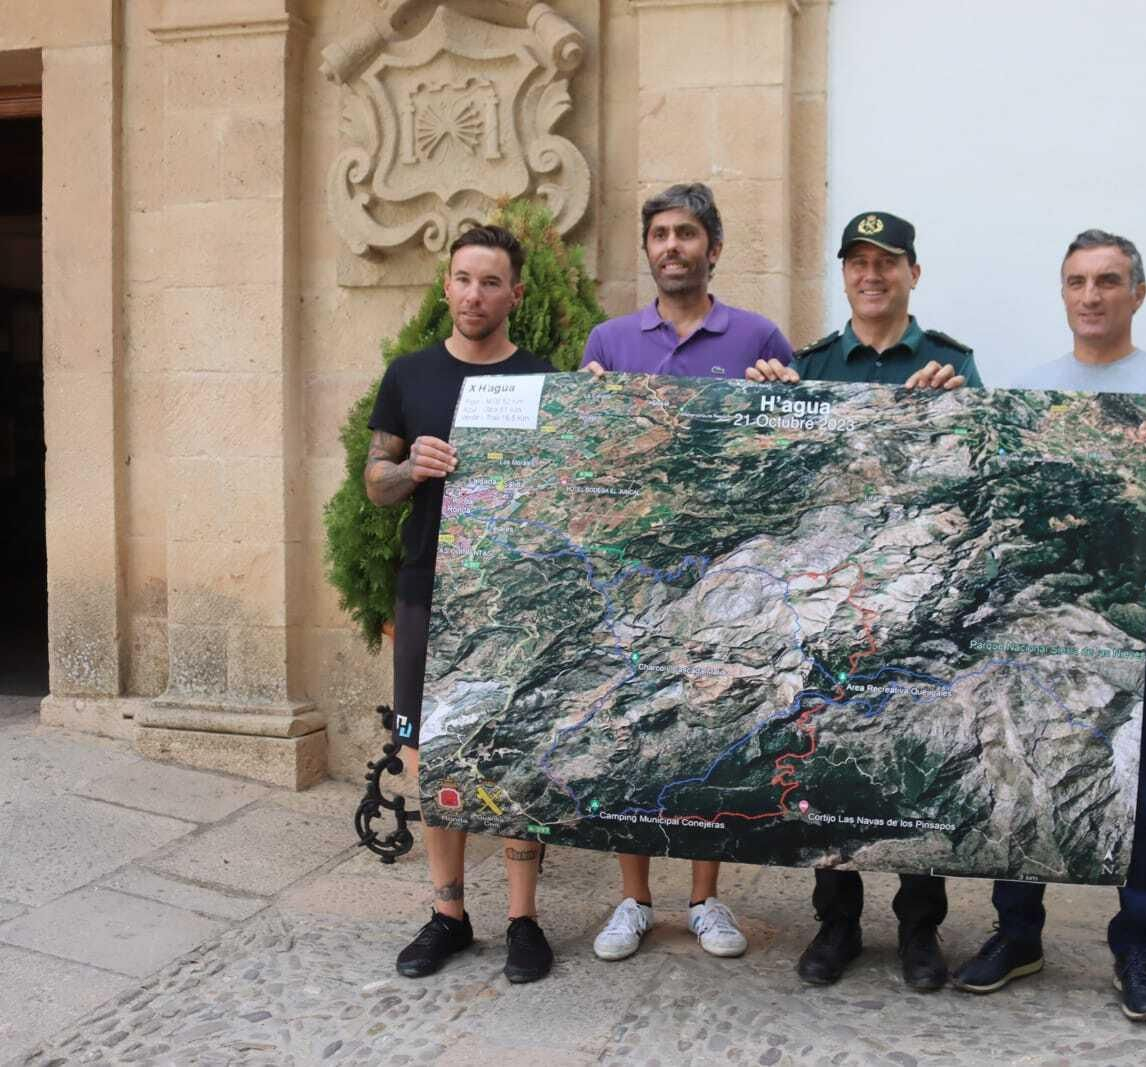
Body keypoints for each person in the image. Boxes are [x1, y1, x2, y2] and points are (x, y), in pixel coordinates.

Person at [949, 229, 1146, 1022]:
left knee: (1135, 791)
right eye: (1078, 281)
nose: (1092, 296)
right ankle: (1018, 934)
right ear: (1063, 292)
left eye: (1109, 281)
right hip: (1043, 627)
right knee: (1022, 777)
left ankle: (1135, 943)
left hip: (1138, 627)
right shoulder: (1033, 390)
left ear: (1137, 294)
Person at [747, 210, 977, 991]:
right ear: (843, 273)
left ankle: (920, 930)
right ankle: (837, 922)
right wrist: (764, 406)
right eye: (857, 261)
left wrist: (955, 407)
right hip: (831, 599)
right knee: (825, 754)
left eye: (888, 262)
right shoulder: (809, 366)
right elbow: (778, 484)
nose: (871, 274)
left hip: (914, 598)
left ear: (914, 273)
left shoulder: (953, 365)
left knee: (914, 751)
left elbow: (978, 470)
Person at [580, 182, 794, 963]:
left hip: (726, 567)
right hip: (634, 566)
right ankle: (633, 898)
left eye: (688, 234)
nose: (673, 246)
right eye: (661, 234)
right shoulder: (607, 342)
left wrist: (787, 403)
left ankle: (705, 897)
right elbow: (588, 463)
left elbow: (789, 453)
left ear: (714, 247)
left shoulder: (759, 335)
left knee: (718, 719)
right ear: (648, 248)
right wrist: (588, 409)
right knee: (628, 721)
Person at [366, 224, 558, 984]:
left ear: (515, 293)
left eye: (491, 281)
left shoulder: (543, 380)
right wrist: (412, 465)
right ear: (445, 286)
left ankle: (523, 919)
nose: (474, 293)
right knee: (427, 751)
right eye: (463, 278)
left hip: (514, 597)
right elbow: (374, 483)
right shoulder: (408, 376)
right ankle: (448, 914)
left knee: (512, 749)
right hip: (427, 589)